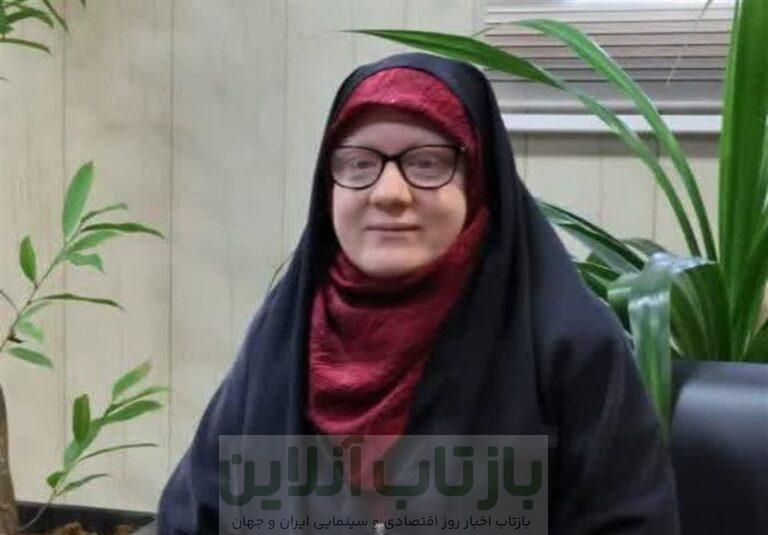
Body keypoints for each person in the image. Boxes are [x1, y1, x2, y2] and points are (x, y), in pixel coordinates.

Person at [157, 52, 680, 534]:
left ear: (479, 181)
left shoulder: (567, 344)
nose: (389, 193)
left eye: (427, 163)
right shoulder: (285, 335)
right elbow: (193, 517)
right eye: (359, 163)